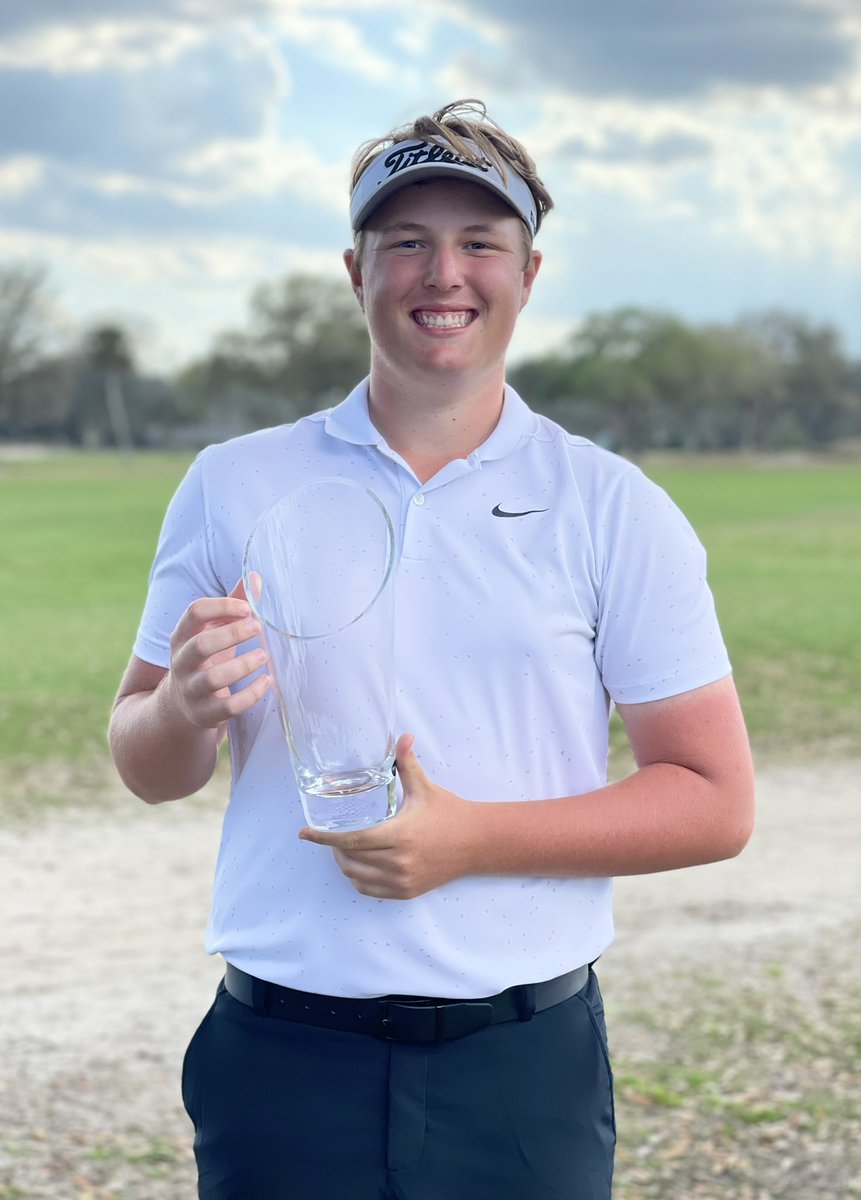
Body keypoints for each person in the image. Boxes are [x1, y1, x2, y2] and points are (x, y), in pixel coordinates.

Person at [109, 99, 755, 1200]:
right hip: (281, 1058)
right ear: (354, 270)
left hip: (520, 1066)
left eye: (478, 242)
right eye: (405, 241)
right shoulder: (236, 480)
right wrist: (180, 714)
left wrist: (470, 839)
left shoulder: (612, 506)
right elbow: (143, 760)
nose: (441, 271)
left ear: (529, 272)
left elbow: (713, 799)